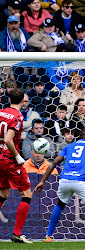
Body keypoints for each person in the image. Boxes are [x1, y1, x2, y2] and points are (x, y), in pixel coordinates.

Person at [34, 128, 85, 242]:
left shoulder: (69, 146)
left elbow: (54, 162)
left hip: (64, 180)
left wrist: (42, 181)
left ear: (79, 137)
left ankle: (48, 236)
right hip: (81, 180)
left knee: (60, 205)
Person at [0, 88, 32, 243]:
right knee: (27, 195)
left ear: (9, 99)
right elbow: (8, 140)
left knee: (3, 194)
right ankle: (17, 234)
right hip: (10, 160)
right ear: (23, 101)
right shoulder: (18, 117)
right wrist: (18, 157)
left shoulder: (0, 112)